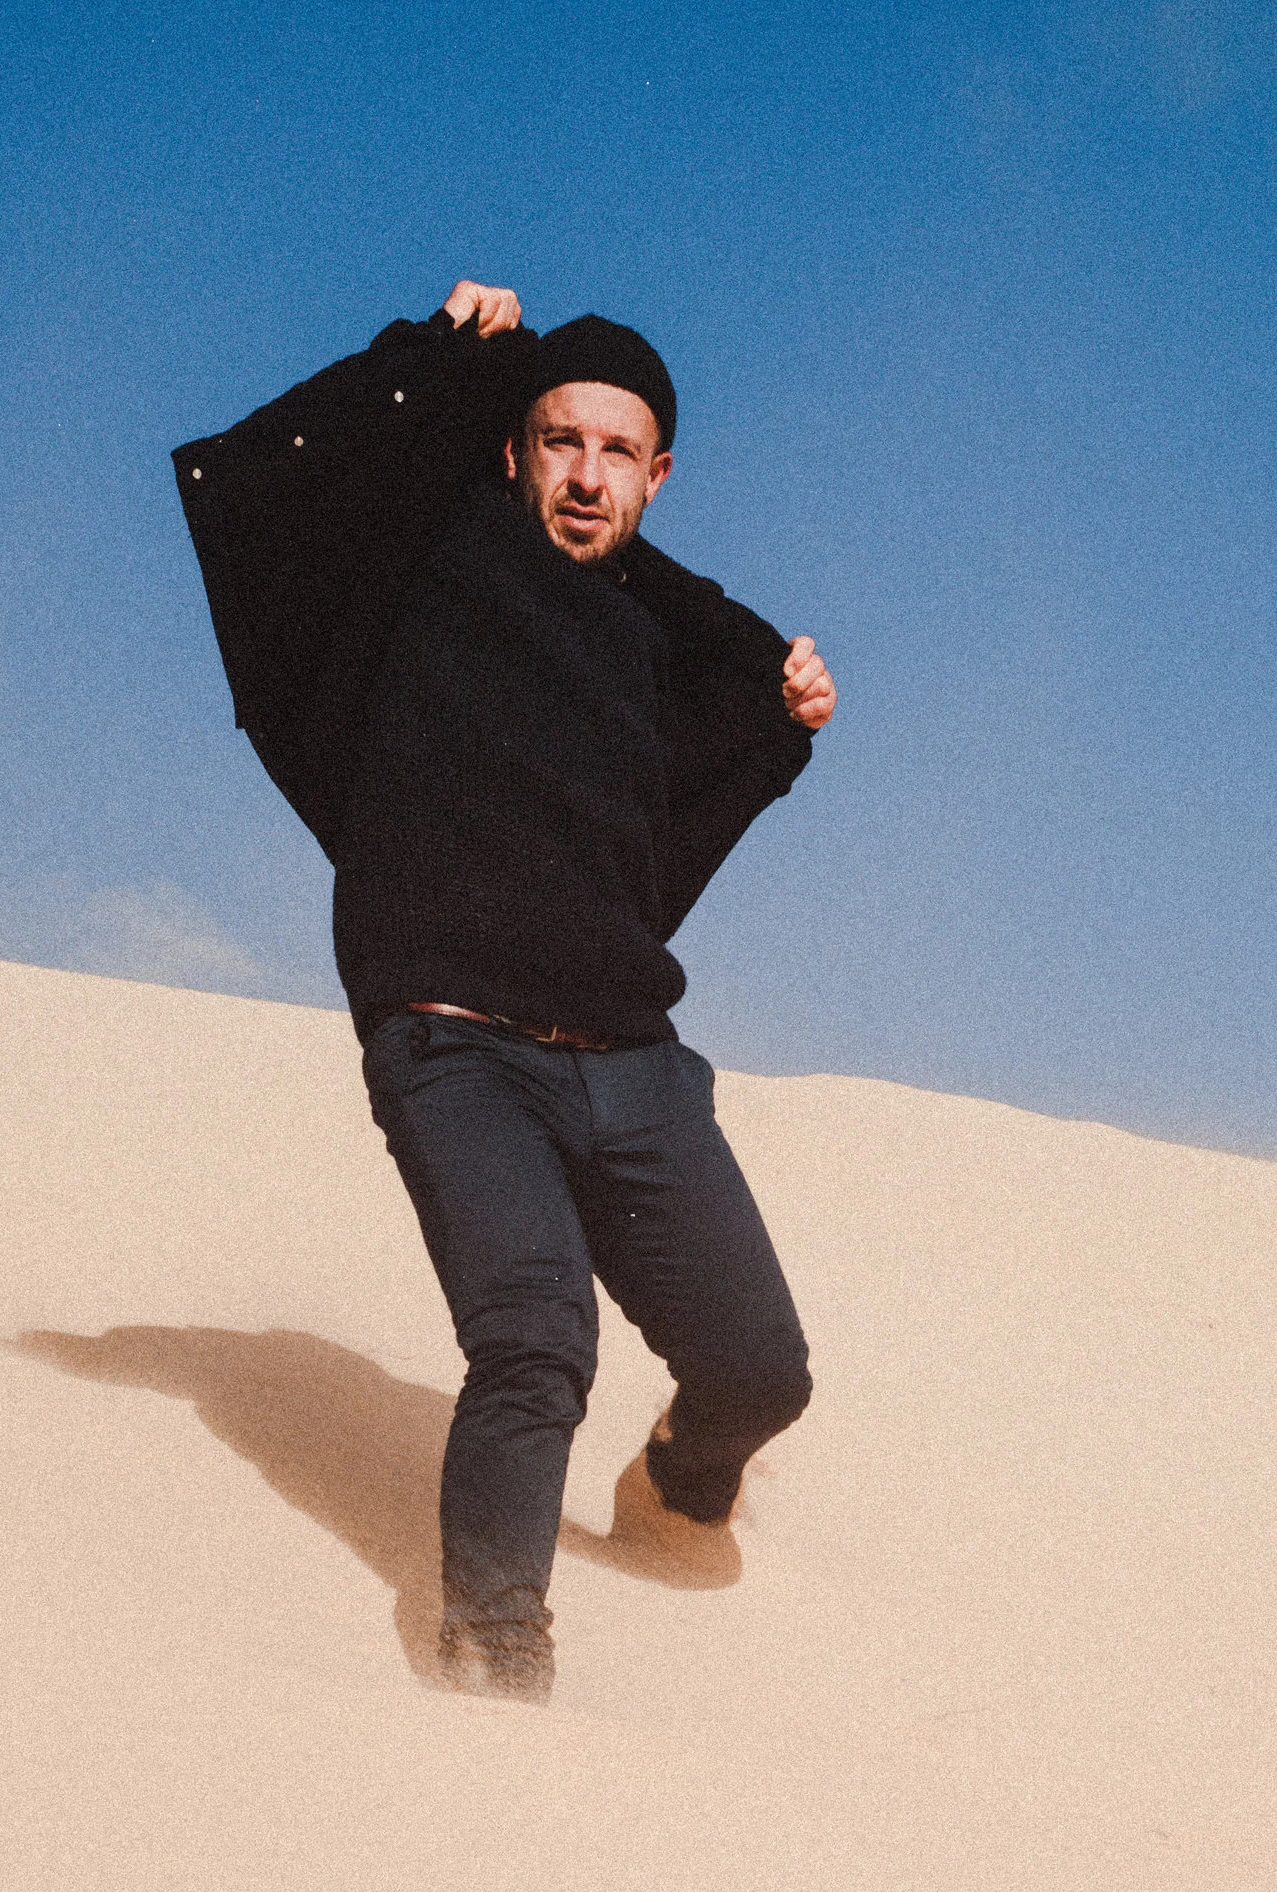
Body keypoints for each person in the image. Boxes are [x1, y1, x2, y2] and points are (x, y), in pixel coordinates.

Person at [174, 277, 835, 1701]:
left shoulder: (656, 638)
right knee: (536, 1338)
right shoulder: (431, 554)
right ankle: (491, 1661)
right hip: (457, 1046)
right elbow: (289, 477)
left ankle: (672, 1491)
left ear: (658, 476)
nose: (585, 476)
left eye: (616, 452)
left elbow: (707, 738)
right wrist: (436, 351)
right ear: (511, 450)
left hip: (634, 1066)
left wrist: (781, 717)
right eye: (558, 441)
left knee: (763, 1369)